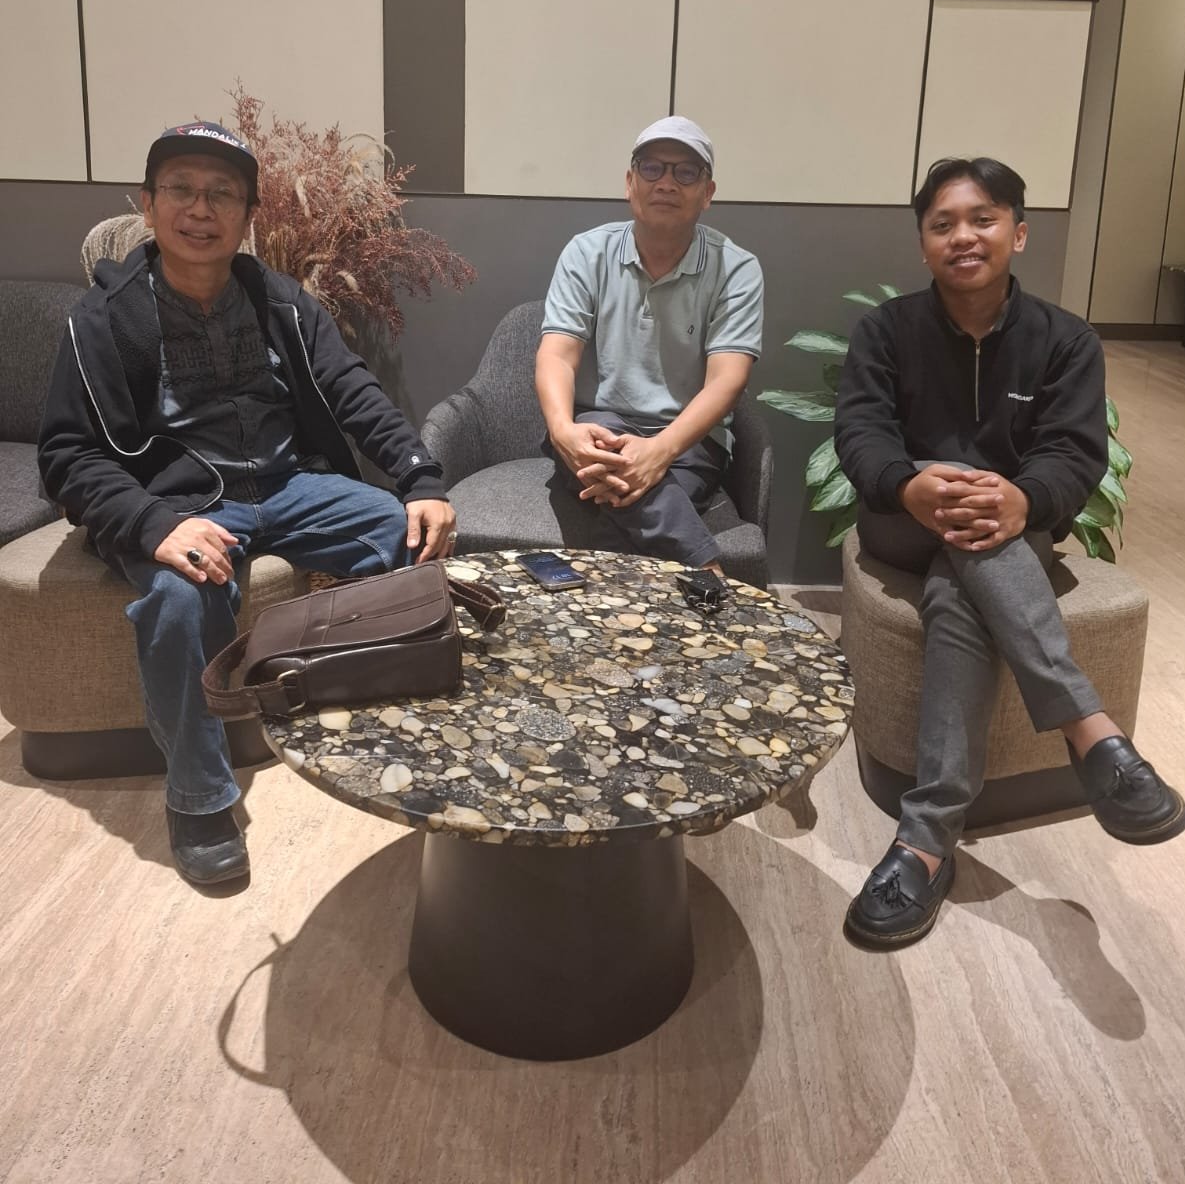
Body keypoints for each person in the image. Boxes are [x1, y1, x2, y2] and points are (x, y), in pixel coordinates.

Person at [38, 122, 456, 886]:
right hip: (181, 501)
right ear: (147, 203)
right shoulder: (100, 320)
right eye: (181, 190)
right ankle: (198, 798)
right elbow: (67, 455)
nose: (201, 209)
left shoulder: (283, 302)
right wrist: (152, 525)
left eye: (222, 194)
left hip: (290, 484)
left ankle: (387, 726)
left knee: (412, 543)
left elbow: (352, 389)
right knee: (179, 596)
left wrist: (420, 480)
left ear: (248, 214)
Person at [834, 156, 1185, 948]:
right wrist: (909, 484)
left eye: (983, 218)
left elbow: (1074, 453)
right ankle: (1090, 731)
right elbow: (860, 433)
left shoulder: (1065, 340)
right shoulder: (886, 331)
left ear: (1018, 234)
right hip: (902, 519)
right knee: (964, 535)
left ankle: (925, 844)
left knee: (960, 584)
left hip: (1015, 525)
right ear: (924, 243)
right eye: (943, 224)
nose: (963, 235)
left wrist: (1024, 498)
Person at [535, 117, 764, 571]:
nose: (666, 183)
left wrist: (659, 450)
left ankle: (609, 599)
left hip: (689, 437)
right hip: (600, 424)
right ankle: (709, 576)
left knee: (616, 495)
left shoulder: (737, 269)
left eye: (686, 172)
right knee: (620, 478)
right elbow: (556, 355)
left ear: (708, 193)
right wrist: (562, 431)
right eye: (652, 168)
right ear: (630, 182)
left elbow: (728, 380)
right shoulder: (587, 252)